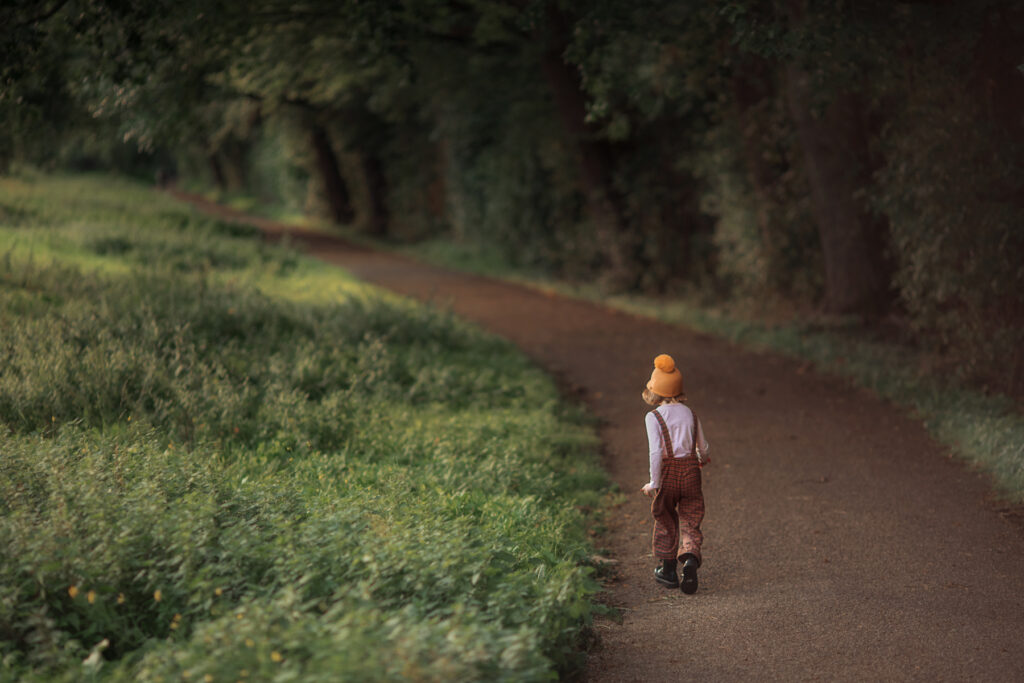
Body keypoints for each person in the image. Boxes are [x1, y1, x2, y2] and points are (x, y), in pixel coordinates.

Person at [640, 353, 710, 594]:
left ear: (654, 390)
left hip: (667, 476)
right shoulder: (690, 413)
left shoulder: (654, 417)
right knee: (691, 517)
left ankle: (668, 570)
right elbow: (703, 447)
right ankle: (690, 557)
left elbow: (656, 452)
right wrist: (701, 459)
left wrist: (654, 482)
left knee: (665, 517)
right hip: (691, 472)